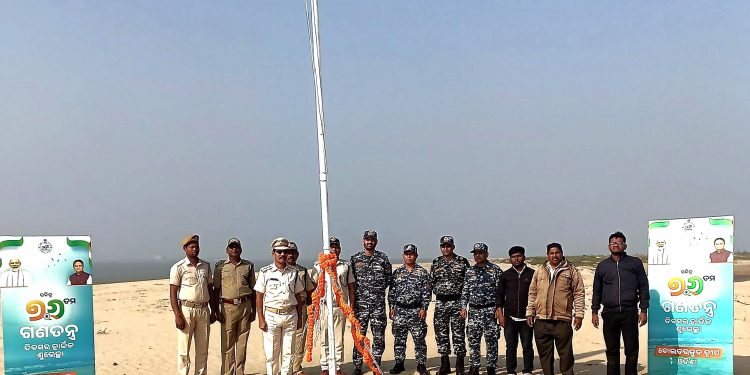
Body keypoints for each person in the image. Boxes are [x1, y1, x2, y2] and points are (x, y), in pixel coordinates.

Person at [591, 232, 649, 375]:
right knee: (612, 350)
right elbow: (597, 290)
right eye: (612, 243)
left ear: (625, 245)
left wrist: (643, 310)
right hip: (609, 313)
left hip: (629, 312)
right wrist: (594, 311)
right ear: (608, 246)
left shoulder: (635, 263)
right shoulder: (602, 266)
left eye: (619, 242)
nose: (615, 245)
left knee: (631, 350)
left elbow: (643, 287)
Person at [526, 243, 585, 375]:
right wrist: (530, 312)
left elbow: (579, 293)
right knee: (545, 356)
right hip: (541, 320)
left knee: (566, 355)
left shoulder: (571, 270)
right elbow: (532, 292)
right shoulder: (540, 270)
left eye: (557, 253)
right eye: (551, 253)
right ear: (547, 255)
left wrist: (579, 315)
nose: (554, 255)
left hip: (562, 320)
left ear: (562, 253)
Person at [169, 234, 219, 375]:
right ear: (184, 249)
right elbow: (173, 293)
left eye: (196, 246)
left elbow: (210, 289)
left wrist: (214, 310)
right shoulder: (178, 267)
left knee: (203, 349)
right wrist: (177, 315)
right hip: (186, 310)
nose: (195, 249)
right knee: (184, 349)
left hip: (203, 310)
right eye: (191, 247)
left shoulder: (205, 266)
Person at [255, 237, 305, 375]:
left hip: (290, 315)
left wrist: (300, 317)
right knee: (271, 353)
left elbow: (299, 296)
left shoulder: (294, 272)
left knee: (289, 353)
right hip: (271, 315)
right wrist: (260, 318)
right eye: (279, 252)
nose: (282, 254)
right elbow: (259, 296)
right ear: (273, 253)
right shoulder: (265, 272)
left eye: (285, 251)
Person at [310, 236, 356, 375]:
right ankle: (325, 366)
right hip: (324, 306)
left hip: (339, 307)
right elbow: (313, 287)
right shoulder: (318, 265)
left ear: (340, 249)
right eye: (331, 246)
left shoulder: (345, 266)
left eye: (336, 247)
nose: (334, 249)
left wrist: (351, 307)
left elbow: (351, 287)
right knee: (324, 338)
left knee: (338, 338)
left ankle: (337, 366)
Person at [351, 230, 393, 375]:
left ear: (376, 241)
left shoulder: (382, 258)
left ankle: (376, 364)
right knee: (359, 337)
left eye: (372, 239)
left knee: (379, 337)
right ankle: (357, 365)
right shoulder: (355, 259)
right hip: (360, 306)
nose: (369, 242)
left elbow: (389, 279)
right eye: (367, 239)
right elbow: (352, 282)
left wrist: (377, 290)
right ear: (363, 241)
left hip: (378, 306)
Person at [214, 237, 256, 375]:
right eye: (231, 247)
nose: (234, 250)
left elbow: (253, 289)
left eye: (237, 247)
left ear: (241, 249)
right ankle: (227, 372)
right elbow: (215, 289)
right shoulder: (220, 266)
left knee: (242, 341)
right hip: (227, 307)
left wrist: (254, 310)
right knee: (227, 343)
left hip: (245, 305)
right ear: (227, 250)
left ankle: (239, 371)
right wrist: (216, 310)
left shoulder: (248, 266)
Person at [388, 244, 431, 375]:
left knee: (419, 339)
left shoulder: (422, 273)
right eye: (406, 254)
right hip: (400, 310)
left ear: (416, 256)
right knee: (399, 339)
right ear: (403, 256)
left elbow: (427, 292)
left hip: (416, 311)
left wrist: (424, 308)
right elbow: (392, 291)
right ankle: (399, 363)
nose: (409, 256)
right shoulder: (397, 273)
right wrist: (391, 307)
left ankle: (421, 364)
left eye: (411, 254)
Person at [429, 235, 470, 375]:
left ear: (453, 247)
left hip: (457, 302)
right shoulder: (436, 262)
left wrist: (464, 305)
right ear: (441, 247)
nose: (445, 248)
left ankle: (459, 366)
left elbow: (467, 285)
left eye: (448, 246)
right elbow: (431, 282)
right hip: (441, 302)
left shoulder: (462, 262)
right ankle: (444, 365)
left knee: (458, 334)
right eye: (443, 246)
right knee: (441, 334)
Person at [460, 242, 502, 375]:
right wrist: (463, 307)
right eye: (475, 253)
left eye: (480, 253)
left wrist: (499, 309)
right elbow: (465, 291)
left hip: (490, 311)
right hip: (474, 311)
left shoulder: (495, 270)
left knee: (491, 341)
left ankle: (491, 367)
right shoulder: (469, 271)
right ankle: (474, 367)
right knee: (473, 340)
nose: (477, 255)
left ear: (486, 254)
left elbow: (500, 293)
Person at [496, 246, 535, 375]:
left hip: (527, 317)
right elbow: (499, 296)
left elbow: (537, 295)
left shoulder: (532, 274)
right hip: (510, 317)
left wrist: (534, 313)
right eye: (513, 257)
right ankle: (511, 370)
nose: (516, 259)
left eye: (518, 256)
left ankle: (527, 370)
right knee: (511, 346)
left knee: (527, 345)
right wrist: (500, 314)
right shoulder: (505, 275)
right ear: (510, 259)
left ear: (524, 257)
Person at [287, 241, 315, 375]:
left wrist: (311, 307)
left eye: (293, 252)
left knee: (300, 338)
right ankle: (285, 368)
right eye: (288, 252)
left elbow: (310, 291)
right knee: (284, 340)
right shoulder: (278, 271)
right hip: (285, 309)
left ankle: (296, 368)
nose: (290, 255)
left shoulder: (302, 271)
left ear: (297, 254)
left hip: (301, 308)